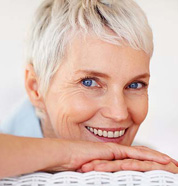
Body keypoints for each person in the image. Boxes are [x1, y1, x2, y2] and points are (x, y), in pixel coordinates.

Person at [0, 0, 178, 179]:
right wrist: (69, 155)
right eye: (89, 82)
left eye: (134, 85)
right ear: (35, 88)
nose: (119, 114)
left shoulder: (147, 168)